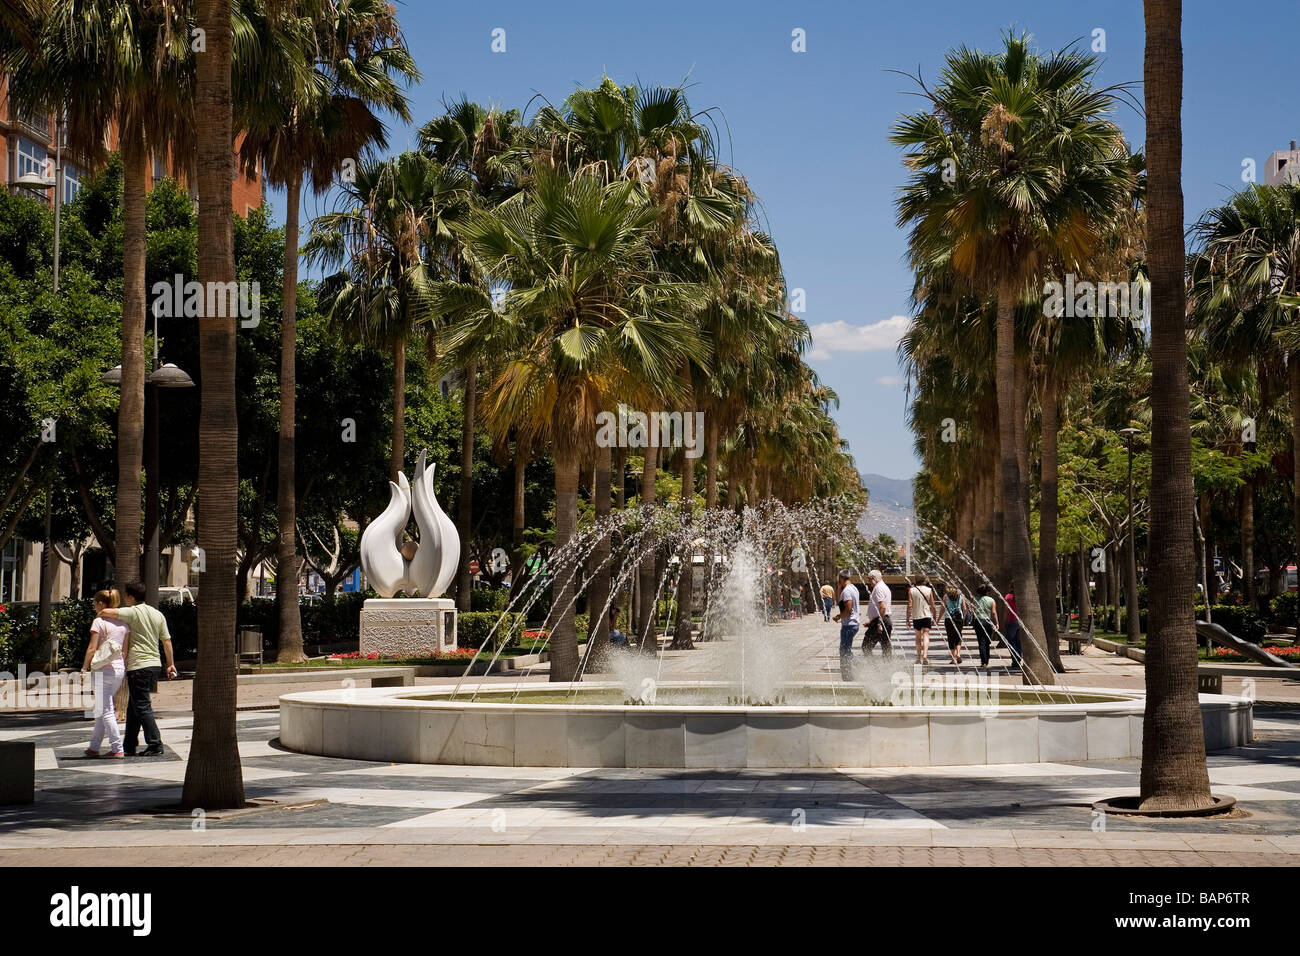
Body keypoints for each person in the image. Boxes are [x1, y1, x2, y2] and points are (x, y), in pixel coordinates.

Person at [97, 579, 177, 757]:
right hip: (154, 665)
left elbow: (105, 611)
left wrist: (99, 618)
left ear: (131, 597)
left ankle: (155, 743)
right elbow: (166, 641)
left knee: (141, 706)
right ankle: (130, 744)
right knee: (134, 706)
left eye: (126, 596)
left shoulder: (132, 612)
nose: (125, 599)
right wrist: (170, 664)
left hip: (138, 665)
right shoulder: (157, 614)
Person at [81, 589, 130, 758]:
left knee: (106, 709)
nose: (94, 606)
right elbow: (124, 651)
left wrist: (84, 668)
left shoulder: (99, 622)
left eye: (95, 603)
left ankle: (117, 748)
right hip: (118, 670)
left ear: (101, 604)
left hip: (102, 670)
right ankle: (94, 746)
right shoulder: (123, 624)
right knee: (102, 708)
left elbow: (92, 648)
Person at [831, 569, 860, 680]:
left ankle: (861, 666)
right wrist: (839, 589)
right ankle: (847, 676)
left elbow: (848, 609)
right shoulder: (854, 589)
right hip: (853, 623)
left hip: (849, 625)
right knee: (845, 652)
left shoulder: (847, 591)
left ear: (842, 578)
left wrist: (838, 616)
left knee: (845, 652)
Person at [861, 569, 893, 657]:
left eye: (869, 579)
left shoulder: (878, 588)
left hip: (880, 622)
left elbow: (882, 607)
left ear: (874, 578)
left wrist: (879, 622)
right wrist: (872, 621)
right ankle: (886, 667)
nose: (868, 582)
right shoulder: (884, 587)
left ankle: (874, 668)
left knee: (866, 646)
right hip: (884, 620)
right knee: (886, 647)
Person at [908, 574, 938, 665]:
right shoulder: (929, 590)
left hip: (916, 616)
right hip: (926, 615)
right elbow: (933, 605)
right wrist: (935, 617)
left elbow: (909, 605)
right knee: (926, 635)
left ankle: (918, 657)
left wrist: (907, 618)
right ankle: (925, 655)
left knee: (918, 637)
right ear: (924, 580)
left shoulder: (911, 590)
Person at [938, 584, 967, 666]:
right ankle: (958, 653)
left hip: (948, 619)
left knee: (950, 637)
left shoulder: (945, 596)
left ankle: (953, 658)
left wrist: (938, 620)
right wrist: (963, 617)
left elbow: (942, 609)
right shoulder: (961, 596)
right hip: (959, 618)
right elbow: (964, 608)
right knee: (958, 636)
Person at [971, 583, 999, 668]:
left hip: (978, 621)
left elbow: (973, 611)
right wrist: (997, 623)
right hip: (988, 622)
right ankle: (986, 660)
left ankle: (984, 662)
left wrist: (972, 620)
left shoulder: (975, 599)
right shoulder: (991, 600)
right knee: (987, 642)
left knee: (981, 641)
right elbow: (993, 613)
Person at [1003, 591, 1022, 667]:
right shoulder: (1021, 595)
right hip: (1020, 622)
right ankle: (1018, 658)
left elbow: (1006, 611)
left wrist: (1004, 622)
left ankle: (1015, 659)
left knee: (1010, 642)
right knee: (1018, 642)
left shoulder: (1008, 597)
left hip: (1011, 622)